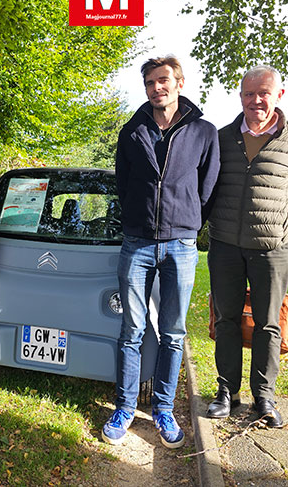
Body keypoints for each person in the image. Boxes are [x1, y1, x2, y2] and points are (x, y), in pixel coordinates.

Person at [102, 56, 220, 448]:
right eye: (151, 82)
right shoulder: (131, 130)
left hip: (181, 246)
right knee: (131, 330)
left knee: (172, 332)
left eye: (164, 80)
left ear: (180, 83)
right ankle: (124, 407)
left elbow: (209, 185)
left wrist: (189, 221)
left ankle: (163, 410)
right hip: (136, 243)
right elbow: (124, 182)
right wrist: (138, 217)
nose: (157, 88)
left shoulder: (203, 131)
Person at [206, 65, 288, 427]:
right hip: (224, 244)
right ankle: (226, 392)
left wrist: (286, 229)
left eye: (264, 92)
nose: (256, 100)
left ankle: (264, 397)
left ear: (278, 95)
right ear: (240, 97)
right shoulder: (221, 138)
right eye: (249, 93)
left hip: (273, 249)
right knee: (226, 320)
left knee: (268, 324)